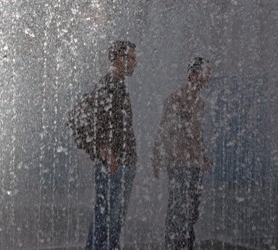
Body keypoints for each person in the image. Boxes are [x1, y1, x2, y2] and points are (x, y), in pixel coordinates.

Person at [151, 57, 213, 250]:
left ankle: (186, 245)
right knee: (179, 211)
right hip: (179, 163)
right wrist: (157, 157)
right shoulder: (176, 99)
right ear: (193, 75)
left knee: (191, 211)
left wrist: (203, 157)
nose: (208, 77)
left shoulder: (199, 103)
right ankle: (174, 246)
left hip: (194, 164)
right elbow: (164, 129)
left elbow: (196, 135)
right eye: (205, 73)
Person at [85, 41, 138, 250]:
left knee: (112, 224)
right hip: (113, 167)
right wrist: (108, 154)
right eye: (131, 58)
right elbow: (88, 122)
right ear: (118, 59)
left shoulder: (118, 86)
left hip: (122, 165)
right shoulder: (107, 86)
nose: (135, 62)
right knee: (105, 222)